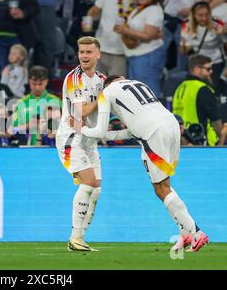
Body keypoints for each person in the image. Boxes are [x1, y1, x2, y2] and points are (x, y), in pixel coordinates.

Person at [74, 75, 209, 253]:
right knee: (166, 184)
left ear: (107, 85)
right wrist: (111, 135)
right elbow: (133, 129)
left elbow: (100, 131)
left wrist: (81, 129)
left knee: (161, 189)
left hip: (153, 132)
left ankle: (196, 233)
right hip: (173, 126)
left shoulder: (106, 92)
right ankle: (185, 234)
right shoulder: (139, 83)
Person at [55, 36, 106, 251]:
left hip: (90, 140)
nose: (84, 56)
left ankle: (79, 239)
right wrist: (105, 96)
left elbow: (101, 110)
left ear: (98, 54)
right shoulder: (73, 78)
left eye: (88, 52)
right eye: (81, 52)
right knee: (88, 183)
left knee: (96, 190)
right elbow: (81, 111)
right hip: (71, 138)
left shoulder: (102, 79)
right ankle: (75, 237)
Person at [113, 0, 165, 98]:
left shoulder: (154, 10)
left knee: (149, 94)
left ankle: (154, 117)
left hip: (147, 56)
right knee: (138, 94)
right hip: (136, 56)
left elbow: (148, 36)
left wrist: (125, 30)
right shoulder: (139, 8)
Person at [86, 0, 137, 77]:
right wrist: (89, 19)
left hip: (121, 53)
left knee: (116, 89)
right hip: (99, 49)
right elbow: (94, 10)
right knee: (95, 87)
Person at [15, 0, 64, 75]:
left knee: (46, 45)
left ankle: (42, 82)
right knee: (21, 45)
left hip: (45, 4)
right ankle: (20, 83)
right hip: (23, 4)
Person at [180, 1, 227, 96]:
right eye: (200, 15)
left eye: (206, 15)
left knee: (212, 92)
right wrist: (184, 45)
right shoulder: (186, 27)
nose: (204, 18)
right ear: (194, 15)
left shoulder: (216, 26)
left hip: (214, 64)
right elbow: (184, 51)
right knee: (195, 92)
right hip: (196, 65)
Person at [172, 54, 222, 146]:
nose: (211, 72)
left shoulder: (179, 88)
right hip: (199, 141)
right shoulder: (202, 89)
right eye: (208, 69)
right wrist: (223, 141)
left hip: (181, 141)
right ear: (197, 69)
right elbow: (215, 120)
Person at [12, 65, 61, 146]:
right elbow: (12, 129)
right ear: (29, 81)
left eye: (40, 84)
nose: (37, 87)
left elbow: (64, 127)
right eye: (34, 84)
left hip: (50, 147)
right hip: (25, 148)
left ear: (46, 81)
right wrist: (28, 126)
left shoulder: (55, 101)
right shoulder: (21, 102)